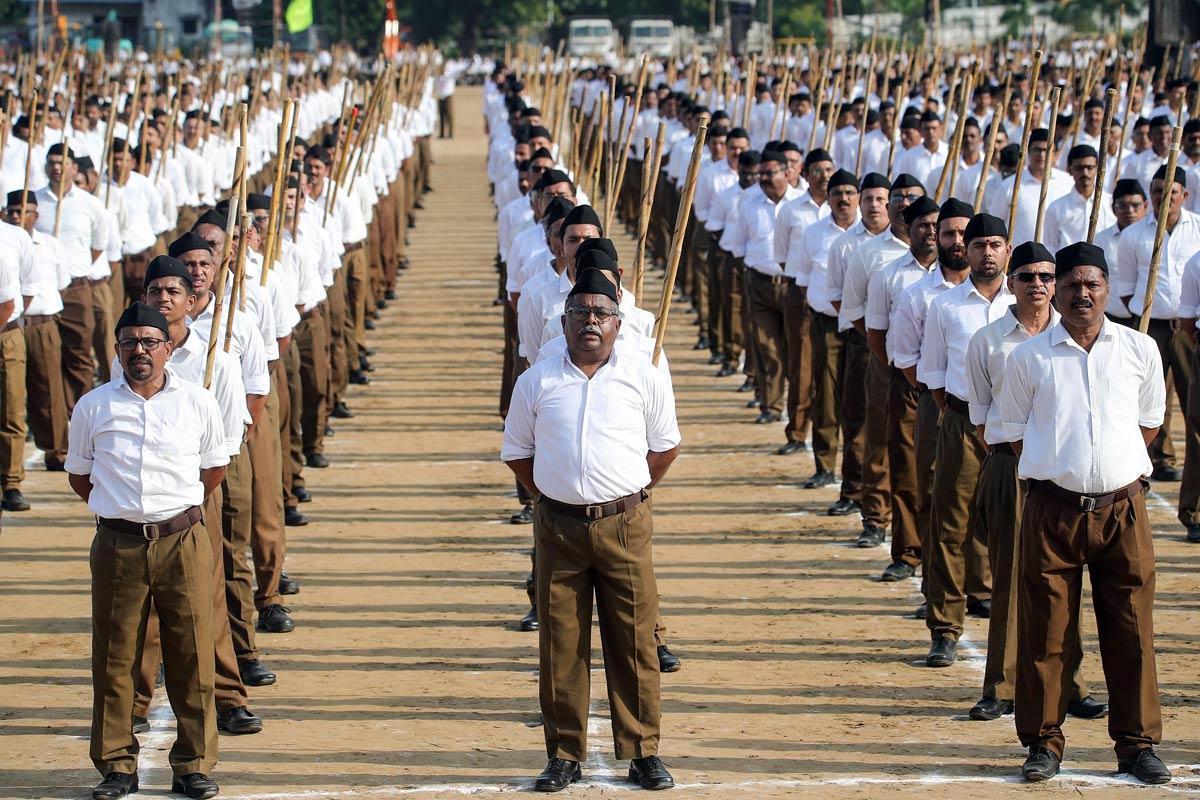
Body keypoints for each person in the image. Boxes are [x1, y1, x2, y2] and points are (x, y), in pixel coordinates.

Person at [998, 242, 1171, 786]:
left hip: (1123, 511)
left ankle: (1137, 744)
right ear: (1056, 289)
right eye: (1070, 285)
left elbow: (1149, 424)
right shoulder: (1028, 357)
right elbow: (1009, 433)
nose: (1081, 295)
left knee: (1131, 629)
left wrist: (1111, 471)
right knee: (1047, 631)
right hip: (1052, 510)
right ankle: (1043, 742)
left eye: (1092, 284)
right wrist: (1064, 469)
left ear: (1105, 288)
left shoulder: (1139, 349)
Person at [502, 268, 681, 792]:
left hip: (625, 524)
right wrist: (550, 493)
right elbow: (517, 450)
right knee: (561, 642)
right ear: (564, 320)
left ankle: (643, 750)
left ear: (618, 322)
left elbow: (666, 445)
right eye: (580, 313)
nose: (590, 323)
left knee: (633, 639)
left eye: (601, 314)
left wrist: (631, 490)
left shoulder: (642, 375)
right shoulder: (537, 379)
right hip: (558, 527)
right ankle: (563, 753)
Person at [66, 302, 228, 800]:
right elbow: (79, 475)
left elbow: (213, 469)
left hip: (183, 540)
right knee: (116, 659)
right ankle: (116, 763)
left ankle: (194, 763)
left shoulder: (197, 401)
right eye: (129, 342)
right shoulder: (94, 406)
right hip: (118, 544)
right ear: (116, 350)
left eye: (150, 342)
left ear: (169, 348)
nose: (140, 351)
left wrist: (173, 510)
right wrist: (123, 512)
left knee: (193, 654)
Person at [964, 241, 1107, 722]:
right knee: (1010, 575)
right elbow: (982, 417)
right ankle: (1001, 685)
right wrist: (1025, 455)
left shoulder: (1078, 337)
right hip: (1011, 466)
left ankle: (1072, 683)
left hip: (1065, 474)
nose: (1039, 285)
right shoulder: (988, 341)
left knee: (1068, 578)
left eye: (1048, 276)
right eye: (1027, 276)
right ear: (1010, 282)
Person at [917, 212, 1011, 666]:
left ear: (1007, 249)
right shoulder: (947, 306)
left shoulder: (1031, 302)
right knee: (950, 524)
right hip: (960, 420)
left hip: (1015, 430)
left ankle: (1004, 614)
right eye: (979, 245)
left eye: (996, 244)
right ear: (965, 251)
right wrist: (960, 416)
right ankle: (945, 627)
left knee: (1009, 526)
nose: (987, 253)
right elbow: (933, 372)